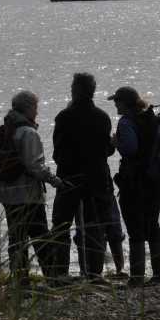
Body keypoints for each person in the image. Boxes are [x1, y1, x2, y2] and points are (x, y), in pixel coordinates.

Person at [48, 73, 115, 281]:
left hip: (69, 178)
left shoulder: (64, 117)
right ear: (92, 91)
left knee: (61, 225)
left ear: (76, 89)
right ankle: (93, 271)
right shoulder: (102, 117)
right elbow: (106, 150)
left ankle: (61, 272)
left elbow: (57, 152)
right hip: (96, 178)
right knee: (94, 226)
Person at [0, 90, 63, 286]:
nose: (37, 111)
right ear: (28, 108)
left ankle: (20, 280)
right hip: (28, 195)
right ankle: (53, 278)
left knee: (17, 240)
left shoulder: (5, 130)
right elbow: (35, 166)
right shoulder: (28, 132)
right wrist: (54, 180)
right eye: (35, 107)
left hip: (8, 194)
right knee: (42, 237)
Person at [109, 86, 160, 286]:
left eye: (116, 101)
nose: (115, 104)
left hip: (134, 183)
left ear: (124, 103)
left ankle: (137, 277)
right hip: (154, 179)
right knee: (153, 226)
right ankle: (159, 275)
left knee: (135, 229)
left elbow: (131, 149)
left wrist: (116, 143)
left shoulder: (125, 122)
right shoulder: (151, 117)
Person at [74, 194, 126, 277]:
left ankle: (120, 269)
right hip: (85, 196)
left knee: (114, 230)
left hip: (106, 193)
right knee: (88, 233)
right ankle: (86, 271)